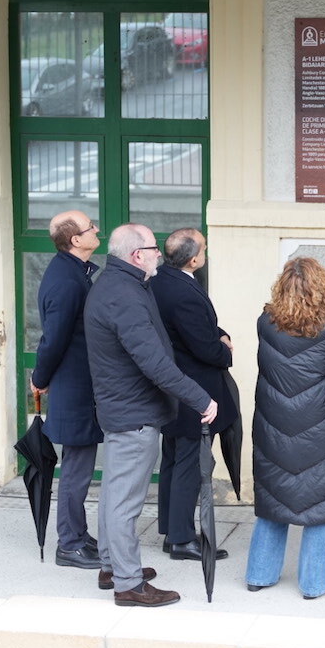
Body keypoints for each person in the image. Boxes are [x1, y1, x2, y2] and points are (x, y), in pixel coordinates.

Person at [84, 223, 217, 607]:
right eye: (153, 248)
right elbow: (154, 363)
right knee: (125, 502)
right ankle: (127, 583)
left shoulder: (117, 285)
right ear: (136, 255)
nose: (160, 253)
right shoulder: (123, 294)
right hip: (133, 412)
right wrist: (201, 399)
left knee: (114, 493)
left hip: (123, 407)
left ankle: (112, 566)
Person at [245, 257, 325, 599]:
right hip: (322, 427)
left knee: (275, 496)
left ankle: (260, 574)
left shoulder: (266, 322)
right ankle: (312, 584)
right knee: (322, 500)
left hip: (274, 426)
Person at [150, 228, 235, 563]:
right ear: (194, 258)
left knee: (173, 459)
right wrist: (225, 350)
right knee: (188, 464)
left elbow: (197, 327)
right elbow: (202, 346)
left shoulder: (162, 279)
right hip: (192, 389)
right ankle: (183, 539)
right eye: (204, 247)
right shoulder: (182, 290)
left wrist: (219, 333)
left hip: (173, 388)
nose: (206, 251)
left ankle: (173, 531)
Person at [30, 210, 104, 570]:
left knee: (80, 468)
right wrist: (39, 377)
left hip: (78, 386)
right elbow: (54, 339)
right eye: (91, 227)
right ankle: (69, 544)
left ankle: (78, 533)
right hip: (74, 389)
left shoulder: (74, 272)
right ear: (76, 240)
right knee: (76, 470)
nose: (97, 230)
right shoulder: (67, 280)